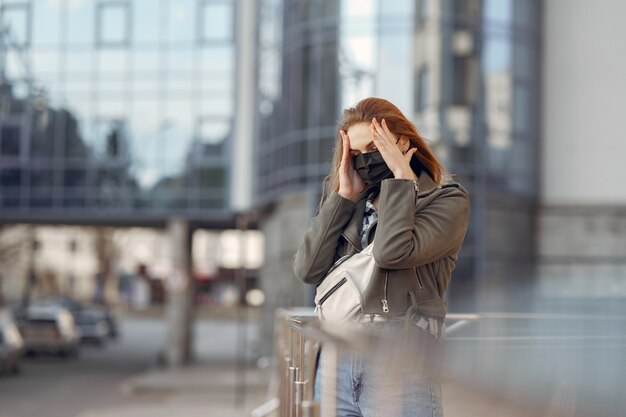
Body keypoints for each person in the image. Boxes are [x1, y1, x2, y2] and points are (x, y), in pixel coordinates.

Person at [293, 97, 471, 416]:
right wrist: (343, 197)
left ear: (401, 141)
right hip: (337, 358)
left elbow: (391, 252)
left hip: (400, 359)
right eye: (355, 155)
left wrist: (402, 182)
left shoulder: (447, 200)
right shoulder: (351, 202)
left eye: (371, 150)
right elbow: (307, 268)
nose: (363, 162)